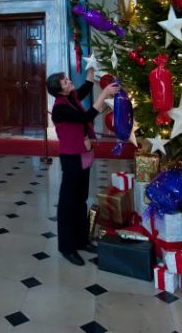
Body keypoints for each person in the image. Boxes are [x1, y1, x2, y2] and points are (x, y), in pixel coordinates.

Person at [47, 67, 120, 266]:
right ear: (59, 90)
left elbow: (85, 89)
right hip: (71, 158)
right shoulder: (61, 108)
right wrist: (104, 94)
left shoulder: (71, 97)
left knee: (81, 200)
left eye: (67, 79)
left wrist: (90, 73)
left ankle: (81, 240)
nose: (69, 82)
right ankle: (67, 247)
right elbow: (86, 118)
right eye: (65, 82)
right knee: (67, 204)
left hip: (84, 155)